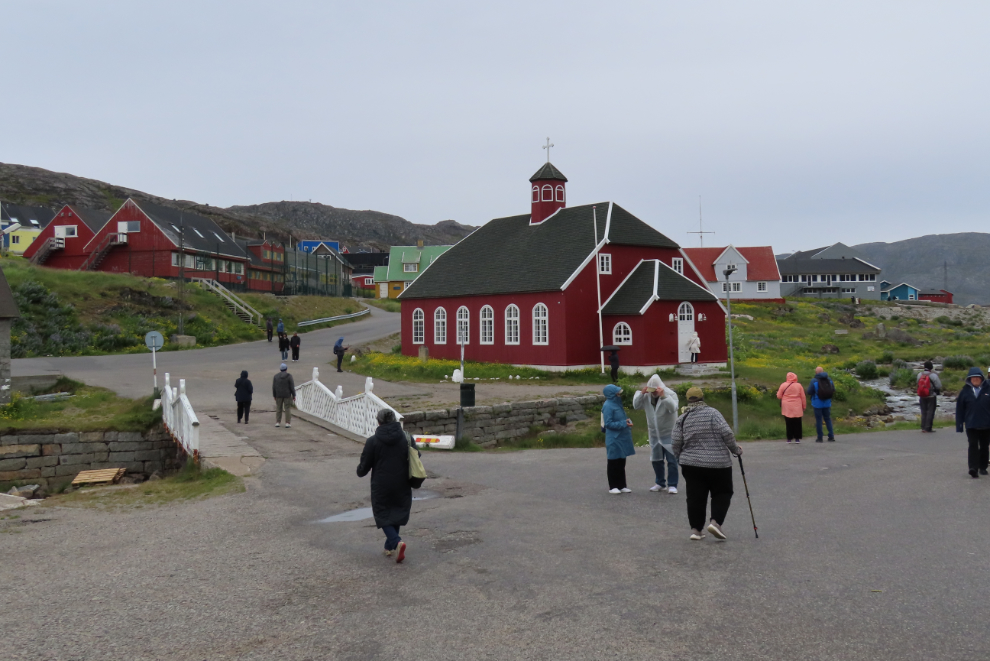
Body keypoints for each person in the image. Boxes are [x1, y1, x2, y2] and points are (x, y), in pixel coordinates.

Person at [672, 387, 742, 541]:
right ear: (702, 397)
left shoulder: (683, 417)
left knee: (695, 496)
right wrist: (735, 450)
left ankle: (696, 530)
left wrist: (680, 458)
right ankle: (715, 522)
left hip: (691, 464)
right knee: (722, 492)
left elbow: (676, 441)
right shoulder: (713, 413)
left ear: (688, 399)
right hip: (718, 463)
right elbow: (727, 433)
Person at [356, 409, 419, 563]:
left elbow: (363, 469)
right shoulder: (406, 438)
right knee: (397, 512)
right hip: (402, 482)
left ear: (379, 421)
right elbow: (417, 456)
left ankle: (397, 542)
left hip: (381, 485)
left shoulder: (373, 441)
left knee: (383, 514)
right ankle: (389, 546)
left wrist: (360, 469)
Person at [632, 374, 680, 493]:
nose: (652, 393)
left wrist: (663, 396)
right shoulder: (647, 396)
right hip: (654, 433)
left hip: (669, 433)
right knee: (656, 459)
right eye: (650, 390)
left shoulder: (670, 394)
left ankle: (672, 484)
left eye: (654, 391)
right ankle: (660, 483)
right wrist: (641, 394)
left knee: (671, 460)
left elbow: (673, 408)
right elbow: (636, 406)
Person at [955, 367, 990, 478]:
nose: (975, 379)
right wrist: (959, 425)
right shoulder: (965, 391)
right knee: (973, 445)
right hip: (971, 424)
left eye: (977, 377)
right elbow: (960, 409)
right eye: (973, 377)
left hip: (986, 424)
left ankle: (983, 467)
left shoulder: (988, 389)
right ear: (969, 379)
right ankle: (973, 468)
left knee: (984, 446)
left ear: (981, 378)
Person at [601, 384, 635, 494]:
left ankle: (622, 485)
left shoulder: (617, 404)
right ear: (611, 394)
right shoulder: (608, 406)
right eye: (617, 392)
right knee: (613, 462)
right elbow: (608, 423)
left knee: (621, 461)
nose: (619, 394)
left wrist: (627, 421)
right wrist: (624, 423)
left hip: (622, 437)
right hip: (614, 438)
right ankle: (613, 486)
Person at [806, 366, 835, 442]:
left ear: (816, 372)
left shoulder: (814, 380)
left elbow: (809, 391)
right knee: (828, 419)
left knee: (819, 420)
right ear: (823, 371)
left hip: (817, 403)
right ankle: (831, 436)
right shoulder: (829, 380)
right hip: (827, 403)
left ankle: (820, 437)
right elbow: (833, 390)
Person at [776, 372, 807, 443]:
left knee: (788, 422)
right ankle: (797, 438)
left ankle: (789, 438)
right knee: (797, 422)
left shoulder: (783, 385)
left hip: (787, 406)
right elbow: (803, 397)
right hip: (797, 405)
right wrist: (804, 406)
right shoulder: (799, 385)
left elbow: (779, 396)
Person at [917, 360, 942, 433]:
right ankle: (928, 428)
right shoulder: (933, 375)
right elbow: (939, 385)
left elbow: (918, 384)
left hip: (922, 395)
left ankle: (923, 427)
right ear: (931, 367)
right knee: (930, 411)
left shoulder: (919, 374)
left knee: (923, 411)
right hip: (931, 395)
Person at [272, 363, 295, 428]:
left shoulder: (276, 376)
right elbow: (292, 386)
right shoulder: (289, 376)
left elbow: (274, 387)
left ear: (280, 369)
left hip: (278, 394)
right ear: (286, 369)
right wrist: (294, 395)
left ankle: (278, 422)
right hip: (287, 394)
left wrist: (274, 395)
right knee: (287, 408)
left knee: (279, 408)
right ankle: (287, 423)